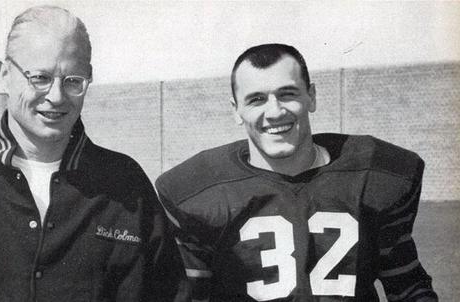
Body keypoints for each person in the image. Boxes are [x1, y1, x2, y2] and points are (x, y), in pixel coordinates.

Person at [155, 43, 437, 301]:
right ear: (236, 110)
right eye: (256, 100)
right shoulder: (201, 195)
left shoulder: (371, 177)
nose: (275, 111)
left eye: (287, 94)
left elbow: (408, 289)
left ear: (311, 97)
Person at [0, 6, 184, 302]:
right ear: (5, 75)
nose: (56, 96)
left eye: (73, 81)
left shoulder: (126, 184)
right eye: (39, 77)